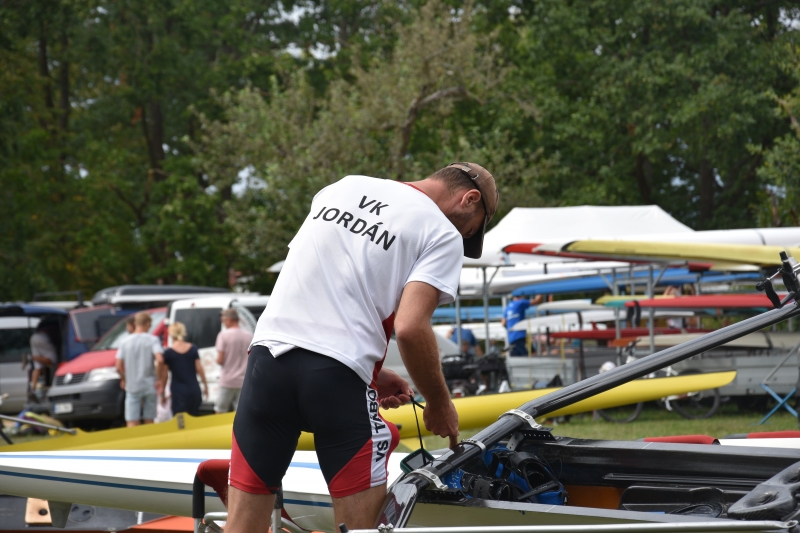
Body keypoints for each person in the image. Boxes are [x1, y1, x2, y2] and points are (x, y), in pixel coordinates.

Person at [226, 162, 498, 532]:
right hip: (337, 380)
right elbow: (410, 328)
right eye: (471, 230)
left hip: (266, 363)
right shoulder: (441, 232)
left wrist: (375, 372)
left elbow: (322, 284)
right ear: (470, 199)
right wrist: (438, 403)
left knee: (242, 526)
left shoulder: (342, 187)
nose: (463, 237)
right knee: (359, 529)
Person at [115, 311, 164, 427]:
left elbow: (118, 367)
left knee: (132, 419)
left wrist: (124, 379)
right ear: (147, 323)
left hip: (132, 386)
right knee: (149, 419)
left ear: (135, 323)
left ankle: (134, 438)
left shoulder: (124, 342)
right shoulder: (153, 340)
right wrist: (159, 378)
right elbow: (160, 360)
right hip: (149, 384)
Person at [158, 322, 208, 417]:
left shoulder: (168, 353)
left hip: (178, 392)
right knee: (194, 418)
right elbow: (199, 369)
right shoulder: (193, 348)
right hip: (194, 389)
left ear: (171, 334)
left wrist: (163, 393)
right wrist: (205, 386)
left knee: (180, 420)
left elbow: (165, 376)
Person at [214, 308, 253, 413]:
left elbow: (220, 360)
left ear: (228, 320)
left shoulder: (223, 335)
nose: (224, 323)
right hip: (243, 380)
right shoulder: (249, 335)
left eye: (223, 321)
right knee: (241, 412)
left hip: (227, 380)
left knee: (220, 410)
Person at [29, 321, 59, 398]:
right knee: (53, 360)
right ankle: (31, 357)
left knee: (37, 367)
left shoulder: (44, 322)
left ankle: (33, 389)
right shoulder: (56, 323)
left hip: (34, 337)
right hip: (43, 338)